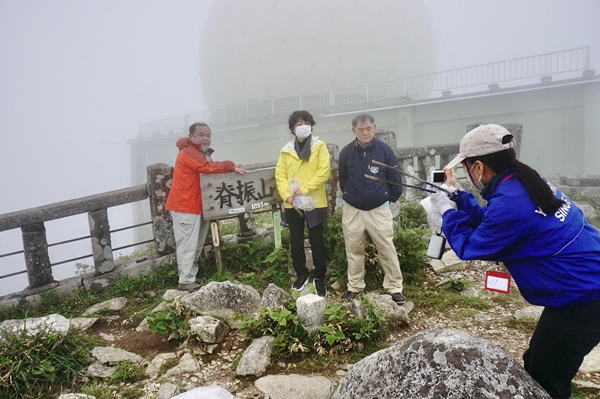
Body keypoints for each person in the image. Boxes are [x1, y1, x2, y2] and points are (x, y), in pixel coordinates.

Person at [429, 123, 600, 399]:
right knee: (537, 361)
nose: (464, 173)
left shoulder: (512, 202)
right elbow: (491, 221)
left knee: (546, 380)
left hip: (583, 298)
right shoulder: (523, 181)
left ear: (479, 168)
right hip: (584, 283)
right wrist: (459, 197)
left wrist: (447, 212)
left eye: (466, 167)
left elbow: (471, 245)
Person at [165, 122, 246, 292]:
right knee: (187, 244)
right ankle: (186, 280)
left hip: (197, 205)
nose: (205, 138)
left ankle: (190, 277)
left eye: (208, 135)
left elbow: (208, 164)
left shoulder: (199, 153)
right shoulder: (188, 152)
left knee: (196, 243)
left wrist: (229, 165)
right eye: (201, 135)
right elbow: (205, 167)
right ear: (191, 137)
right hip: (185, 205)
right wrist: (230, 165)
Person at [338, 114, 405, 304]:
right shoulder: (346, 153)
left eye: (368, 128)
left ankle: (394, 288)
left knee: (386, 248)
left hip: (379, 208)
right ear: (354, 131)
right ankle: (355, 287)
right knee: (353, 249)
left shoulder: (384, 150)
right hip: (353, 209)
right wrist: (352, 195)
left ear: (374, 128)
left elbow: (395, 177)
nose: (365, 132)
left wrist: (388, 198)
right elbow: (343, 180)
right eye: (360, 130)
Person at [275, 110, 331, 297]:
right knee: (296, 240)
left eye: (305, 122)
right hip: (293, 203)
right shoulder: (286, 150)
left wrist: (304, 189)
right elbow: (280, 175)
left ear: (311, 124)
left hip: (315, 201)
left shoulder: (319, 146)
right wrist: (286, 195)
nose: (302, 126)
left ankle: (319, 276)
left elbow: (324, 172)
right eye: (298, 124)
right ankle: (301, 274)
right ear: (292, 128)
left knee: (317, 240)